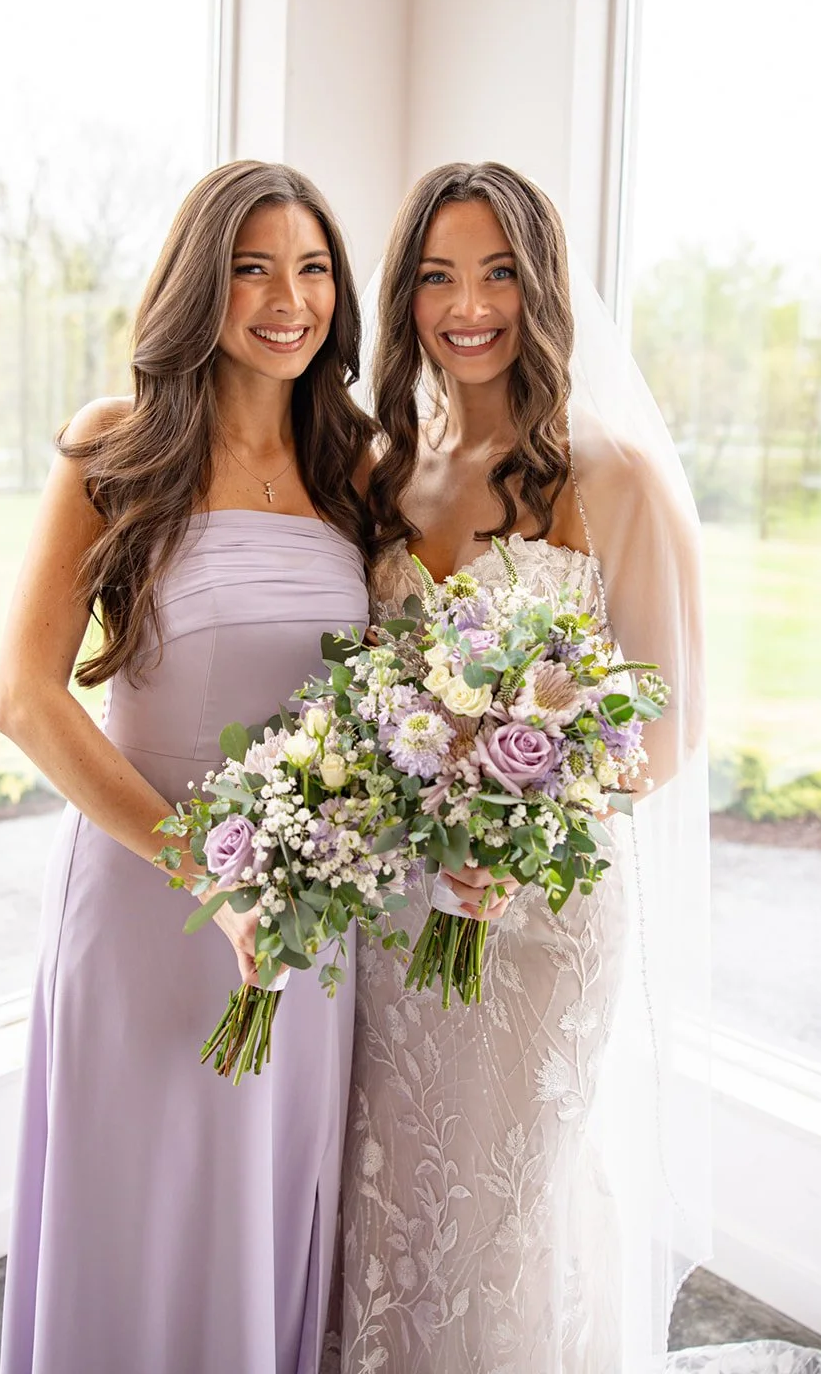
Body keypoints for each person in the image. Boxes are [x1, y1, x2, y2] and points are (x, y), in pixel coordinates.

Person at [329, 161, 711, 1372]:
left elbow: (666, 721)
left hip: (541, 914)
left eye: (497, 271)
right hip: (396, 914)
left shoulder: (615, 479)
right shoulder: (378, 474)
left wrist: (509, 814)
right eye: (437, 274)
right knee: (386, 1192)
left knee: (502, 1211)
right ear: (406, 299)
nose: (468, 303)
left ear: (540, 287)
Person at [0, 161, 373, 1374]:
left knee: (264, 1206)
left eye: (311, 267)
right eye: (252, 266)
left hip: (308, 914)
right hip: (153, 901)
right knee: (142, 1214)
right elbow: (24, 699)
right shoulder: (118, 444)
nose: (286, 296)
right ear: (199, 282)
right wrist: (208, 874)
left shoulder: (354, 466)